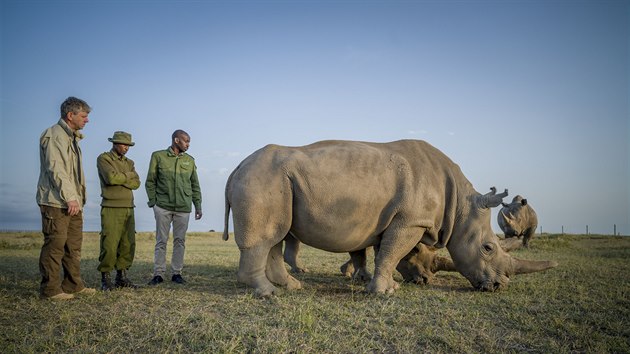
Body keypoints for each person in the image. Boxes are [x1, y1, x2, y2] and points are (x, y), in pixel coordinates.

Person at [36, 96, 96, 300]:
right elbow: (57, 169)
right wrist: (71, 197)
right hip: (56, 201)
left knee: (73, 246)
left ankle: (73, 285)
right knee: (55, 245)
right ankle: (50, 290)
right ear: (70, 115)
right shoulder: (54, 135)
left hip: (73, 202)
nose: (86, 120)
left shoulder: (72, 137)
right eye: (83, 116)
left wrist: (77, 199)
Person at [145, 130, 202, 285]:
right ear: (176, 140)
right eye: (186, 141)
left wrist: (198, 206)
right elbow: (150, 181)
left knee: (180, 241)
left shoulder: (190, 161)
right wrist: (153, 203)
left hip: (183, 207)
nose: (188, 145)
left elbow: (195, 185)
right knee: (161, 240)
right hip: (162, 206)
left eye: (189, 142)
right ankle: (158, 274)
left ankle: (177, 273)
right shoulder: (158, 156)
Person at [96, 131, 141, 290]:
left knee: (128, 243)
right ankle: (105, 278)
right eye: (123, 144)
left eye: (128, 145)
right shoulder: (104, 158)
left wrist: (122, 177)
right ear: (114, 143)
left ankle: (122, 277)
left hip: (129, 206)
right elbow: (110, 178)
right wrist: (128, 176)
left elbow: (137, 183)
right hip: (111, 207)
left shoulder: (130, 162)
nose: (126, 148)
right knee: (109, 243)